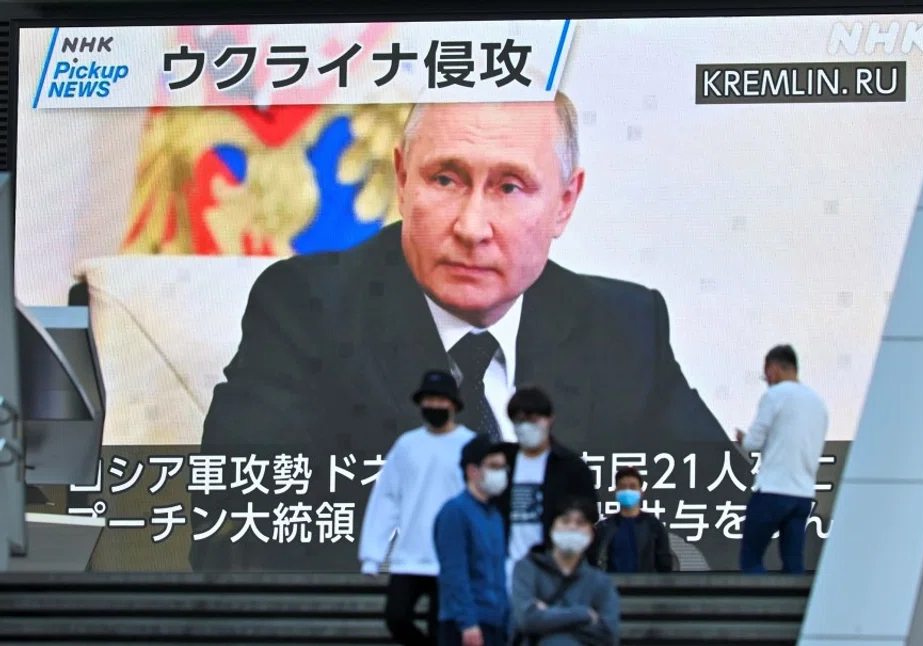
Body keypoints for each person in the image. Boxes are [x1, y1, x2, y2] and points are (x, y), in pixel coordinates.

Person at [194, 93, 730, 571]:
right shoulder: (306, 310)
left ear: (564, 203)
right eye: (445, 179)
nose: (471, 227)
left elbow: (736, 527)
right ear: (402, 179)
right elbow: (237, 539)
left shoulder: (624, 325)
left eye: (510, 186)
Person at [357, 370, 477, 646]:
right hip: (409, 556)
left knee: (441, 630)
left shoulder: (469, 445)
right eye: (429, 399)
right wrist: (373, 556)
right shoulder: (406, 445)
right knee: (396, 618)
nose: (434, 405)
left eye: (441, 399)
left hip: (451, 559)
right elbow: (386, 498)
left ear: (454, 404)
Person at [735, 345, 829, 574]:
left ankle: (759, 598)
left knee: (751, 559)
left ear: (774, 368)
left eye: (766, 374)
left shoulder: (774, 396)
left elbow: (753, 442)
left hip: (773, 490)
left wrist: (743, 439)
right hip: (803, 494)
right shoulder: (818, 403)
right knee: (794, 565)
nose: (767, 379)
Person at [496, 386, 597, 585]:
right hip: (506, 568)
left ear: (550, 420)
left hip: (556, 569)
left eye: (533, 419)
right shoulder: (502, 462)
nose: (526, 426)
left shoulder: (570, 466)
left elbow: (588, 517)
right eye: (519, 421)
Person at [434, 435, 512, 646]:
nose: (501, 473)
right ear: (472, 471)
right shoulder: (455, 512)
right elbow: (454, 572)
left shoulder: (494, 515)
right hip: (466, 625)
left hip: (495, 621)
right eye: (494, 466)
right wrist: (467, 622)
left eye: (503, 467)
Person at [512, 496, 620, 646]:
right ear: (551, 528)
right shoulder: (527, 568)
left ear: (591, 533)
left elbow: (609, 634)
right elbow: (526, 620)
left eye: (580, 523)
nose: (572, 527)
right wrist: (584, 615)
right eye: (565, 521)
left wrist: (546, 617)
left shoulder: (601, 582)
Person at [591, 467, 674, 573]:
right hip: (610, 583)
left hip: (645, 583)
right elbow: (593, 563)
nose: (627, 491)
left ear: (641, 492)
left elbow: (665, 565)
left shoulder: (654, 526)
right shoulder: (604, 528)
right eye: (622, 487)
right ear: (616, 492)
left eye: (632, 487)